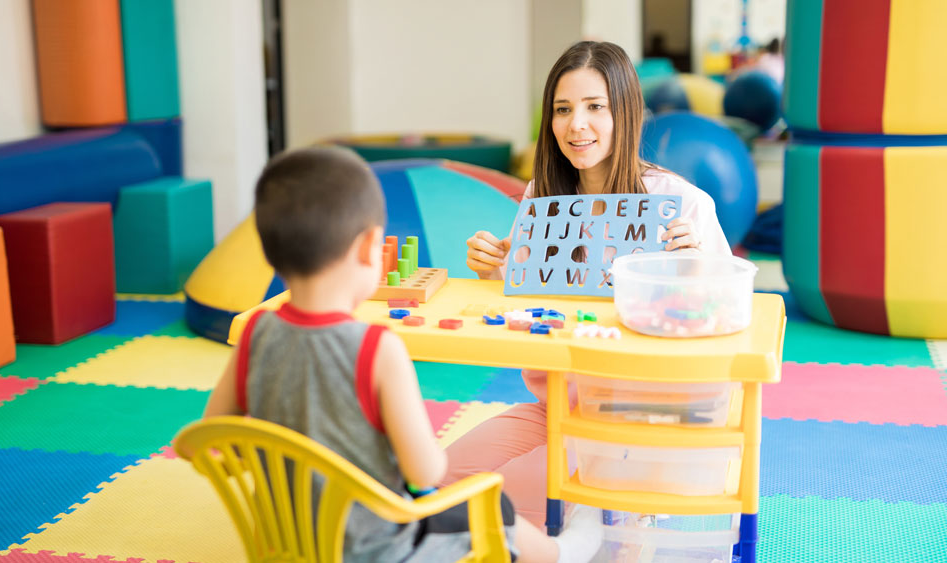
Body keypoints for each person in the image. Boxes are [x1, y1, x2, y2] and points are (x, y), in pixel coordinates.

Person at [198, 147, 602, 563]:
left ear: (267, 253)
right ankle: (565, 552)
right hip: (381, 547)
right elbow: (425, 474)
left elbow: (211, 438)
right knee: (496, 514)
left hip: (288, 536)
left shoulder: (255, 335)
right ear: (370, 247)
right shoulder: (376, 348)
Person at [452, 40, 732, 527]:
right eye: (562, 109)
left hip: (643, 423)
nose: (575, 124)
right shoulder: (543, 199)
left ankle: (625, 521)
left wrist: (698, 271)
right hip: (557, 406)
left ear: (626, 113)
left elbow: (732, 319)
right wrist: (490, 268)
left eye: (594, 106)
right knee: (435, 485)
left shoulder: (682, 202)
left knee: (498, 511)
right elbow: (526, 297)